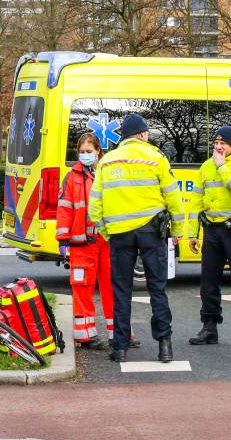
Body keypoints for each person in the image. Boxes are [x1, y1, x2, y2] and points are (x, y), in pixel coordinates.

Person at [90, 113, 187, 364]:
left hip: (120, 234)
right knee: (157, 289)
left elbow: (95, 205)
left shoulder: (107, 161)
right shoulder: (156, 158)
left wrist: (105, 231)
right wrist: (177, 231)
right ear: (143, 135)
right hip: (151, 232)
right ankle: (164, 347)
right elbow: (173, 199)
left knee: (121, 291)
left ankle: (120, 348)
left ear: (123, 137)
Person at [187, 125, 231, 350]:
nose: (218, 148)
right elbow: (196, 200)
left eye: (223, 144)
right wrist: (192, 233)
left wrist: (222, 166)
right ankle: (209, 327)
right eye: (216, 144)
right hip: (212, 231)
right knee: (208, 282)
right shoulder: (206, 166)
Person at [56, 133, 113, 351]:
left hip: (107, 239)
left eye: (89, 151)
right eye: (82, 152)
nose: (85, 155)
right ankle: (85, 335)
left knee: (113, 286)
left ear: (98, 151)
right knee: (82, 287)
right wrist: (63, 240)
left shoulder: (108, 173)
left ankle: (118, 332)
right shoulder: (72, 177)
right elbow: (64, 209)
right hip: (82, 242)